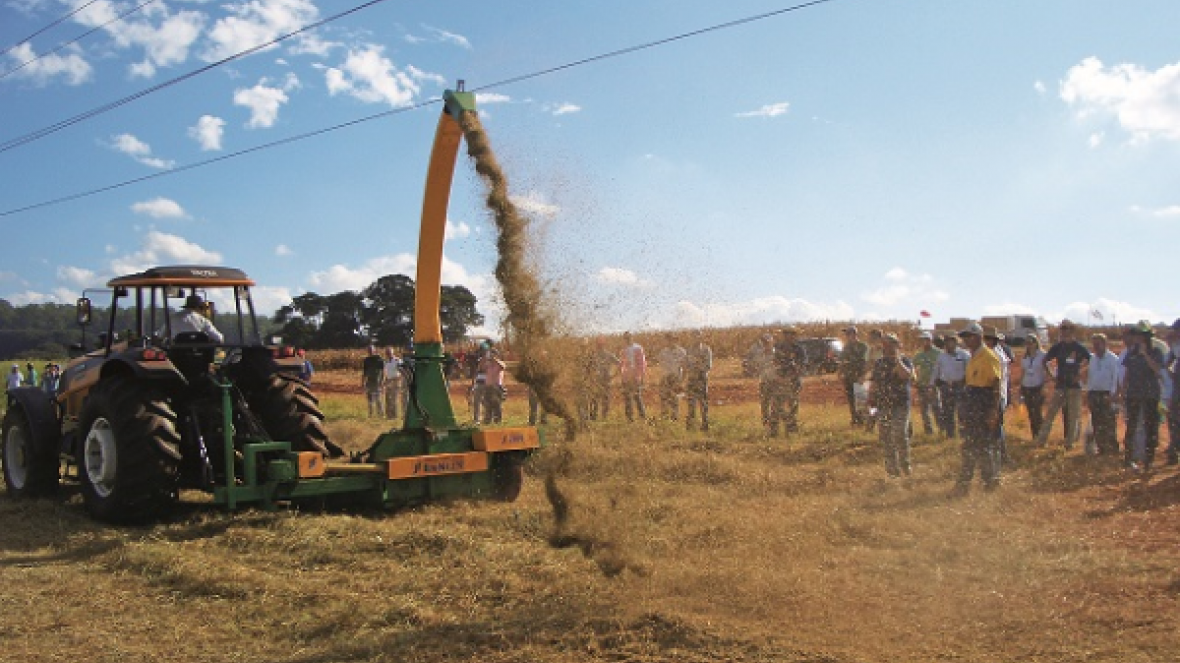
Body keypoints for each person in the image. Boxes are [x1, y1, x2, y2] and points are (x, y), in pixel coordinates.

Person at [954, 322, 1003, 493]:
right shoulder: (973, 356)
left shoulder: (989, 356)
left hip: (984, 402)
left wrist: (993, 411)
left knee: (981, 445)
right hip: (972, 402)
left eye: (969, 336)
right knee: (970, 444)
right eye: (964, 337)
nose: (966, 340)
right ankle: (970, 483)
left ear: (978, 336)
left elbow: (996, 385)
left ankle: (987, 482)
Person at [1035, 320, 1091, 450]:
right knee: (1050, 414)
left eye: (1067, 329)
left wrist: (1080, 374)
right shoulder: (1058, 347)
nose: (1065, 332)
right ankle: (1041, 440)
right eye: (1063, 329)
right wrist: (1051, 376)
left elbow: (1090, 360)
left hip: (1074, 386)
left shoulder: (1079, 347)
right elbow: (1045, 361)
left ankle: (1069, 443)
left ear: (1072, 331)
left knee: (1073, 416)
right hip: (1060, 385)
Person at [869, 333, 915, 477]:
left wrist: (897, 360)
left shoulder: (905, 361)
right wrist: (871, 401)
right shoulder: (879, 363)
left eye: (891, 344)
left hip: (900, 404)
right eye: (885, 344)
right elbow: (874, 382)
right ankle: (892, 471)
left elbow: (906, 376)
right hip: (884, 404)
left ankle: (905, 465)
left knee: (900, 433)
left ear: (897, 345)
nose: (887, 347)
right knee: (886, 437)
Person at [1121, 321, 1164, 471]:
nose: (1138, 338)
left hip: (1150, 395)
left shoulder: (1156, 352)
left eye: (1140, 335)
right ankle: (1129, 458)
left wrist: (1145, 354)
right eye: (1136, 335)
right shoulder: (1131, 352)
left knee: (1150, 427)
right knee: (1131, 426)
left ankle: (1148, 460)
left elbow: (1158, 370)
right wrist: (1123, 390)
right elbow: (1127, 373)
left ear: (1147, 336)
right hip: (1133, 394)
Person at [1085, 333, 1120, 456]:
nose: (1095, 346)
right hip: (1094, 393)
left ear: (1105, 344)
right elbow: (1091, 377)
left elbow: (1116, 378)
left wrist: (1113, 395)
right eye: (1094, 344)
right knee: (1096, 422)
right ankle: (1101, 448)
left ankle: (1113, 448)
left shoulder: (1113, 359)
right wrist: (1089, 393)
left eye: (1098, 343)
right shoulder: (1093, 358)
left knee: (1109, 422)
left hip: (1107, 394)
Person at [930, 334, 969, 439]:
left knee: (962, 412)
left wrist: (965, 382)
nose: (948, 344)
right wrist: (932, 385)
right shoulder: (941, 356)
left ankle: (963, 435)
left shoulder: (964, 355)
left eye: (951, 342)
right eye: (946, 342)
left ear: (956, 342)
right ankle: (950, 434)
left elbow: (969, 370)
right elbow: (936, 371)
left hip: (960, 386)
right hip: (945, 386)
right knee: (947, 411)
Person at [982, 329, 1012, 463]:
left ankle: (1001, 457)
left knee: (996, 427)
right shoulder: (997, 353)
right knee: (996, 427)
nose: (986, 341)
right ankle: (1001, 456)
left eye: (988, 339)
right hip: (998, 394)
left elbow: (996, 380)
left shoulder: (996, 355)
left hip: (996, 395)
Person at [772, 327, 807, 436]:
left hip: (794, 381)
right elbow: (773, 363)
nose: (789, 336)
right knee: (777, 406)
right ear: (784, 335)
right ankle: (774, 430)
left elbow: (802, 366)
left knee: (792, 405)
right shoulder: (778, 347)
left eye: (791, 334)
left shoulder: (799, 349)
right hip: (779, 380)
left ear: (794, 336)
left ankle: (791, 429)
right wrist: (779, 377)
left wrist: (792, 375)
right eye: (786, 334)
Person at [746, 333, 778, 434]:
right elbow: (754, 366)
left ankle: (773, 427)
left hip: (775, 382)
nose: (766, 344)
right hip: (764, 382)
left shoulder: (776, 354)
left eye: (767, 342)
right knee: (764, 405)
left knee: (775, 405)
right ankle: (765, 425)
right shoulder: (760, 355)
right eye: (764, 342)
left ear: (772, 343)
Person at [838, 326, 870, 426]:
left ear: (854, 334)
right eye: (846, 334)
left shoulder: (863, 346)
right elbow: (842, 361)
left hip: (860, 375)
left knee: (861, 399)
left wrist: (864, 375)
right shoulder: (846, 347)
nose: (847, 336)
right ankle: (855, 419)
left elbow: (866, 362)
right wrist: (840, 372)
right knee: (851, 399)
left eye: (848, 334)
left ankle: (863, 421)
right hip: (848, 376)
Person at [911, 331, 942, 435]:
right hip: (922, 385)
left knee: (936, 408)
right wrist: (915, 379)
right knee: (924, 410)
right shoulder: (919, 355)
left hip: (934, 385)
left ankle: (941, 429)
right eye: (922, 340)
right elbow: (912, 367)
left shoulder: (939, 353)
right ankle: (929, 431)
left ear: (930, 340)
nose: (924, 342)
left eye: (926, 340)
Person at [684, 330, 713, 432]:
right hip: (691, 379)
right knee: (691, 403)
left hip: (701, 379)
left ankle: (705, 425)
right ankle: (691, 427)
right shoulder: (688, 350)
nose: (695, 339)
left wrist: (698, 369)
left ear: (701, 338)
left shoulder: (706, 350)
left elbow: (708, 366)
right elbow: (686, 365)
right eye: (693, 337)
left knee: (703, 403)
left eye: (697, 336)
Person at [1019, 335, 1048, 438]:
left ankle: (1041, 435)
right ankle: (1034, 435)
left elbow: (1046, 371)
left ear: (1036, 343)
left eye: (1031, 342)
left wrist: (1045, 386)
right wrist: (1020, 386)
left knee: (1037, 412)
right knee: (1030, 412)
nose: (1029, 345)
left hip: (1038, 386)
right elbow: (1023, 372)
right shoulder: (1025, 357)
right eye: (1027, 343)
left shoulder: (1043, 355)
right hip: (1026, 386)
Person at [655, 333, 687, 421]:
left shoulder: (682, 352)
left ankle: (674, 419)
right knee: (664, 399)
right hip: (665, 378)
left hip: (676, 378)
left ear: (675, 340)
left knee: (675, 400)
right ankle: (664, 418)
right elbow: (661, 365)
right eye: (668, 340)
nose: (669, 342)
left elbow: (685, 368)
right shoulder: (663, 352)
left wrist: (681, 381)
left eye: (672, 340)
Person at [619, 332, 648, 423]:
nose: (627, 339)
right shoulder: (623, 350)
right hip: (626, 377)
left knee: (637, 397)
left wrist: (640, 375)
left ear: (632, 337)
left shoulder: (638, 348)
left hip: (635, 377)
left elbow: (642, 364)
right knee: (627, 398)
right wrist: (622, 376)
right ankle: (629, 419)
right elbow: (622, 364)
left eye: (628, 337)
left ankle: (643, 417)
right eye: (625, 338)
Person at [591, 338, 620, 420]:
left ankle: (603, 416)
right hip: (598, 379)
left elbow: (620, 364)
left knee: (604, 398)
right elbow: (589, 367)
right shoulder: (594, 355)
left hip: (605, 378)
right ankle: (595, 416)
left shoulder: (609, 355)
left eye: (600, 344)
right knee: (596, 398)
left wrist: (614, 375)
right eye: (598, 345)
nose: (599, 346)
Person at [1165, 319, 1180, 466]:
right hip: (1177, 388)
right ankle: (1174, 448)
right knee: (1174, 418)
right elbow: (1167, 362)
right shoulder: (1176, 346)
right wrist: (1172, 374)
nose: (1175, 332)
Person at [481, 347, 507, 424]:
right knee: (487, 404)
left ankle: (498, 420)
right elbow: (481, 368)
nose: (491, 355)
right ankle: (487, 420)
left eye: (493, 353)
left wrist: (494, 359)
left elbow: (503, 367)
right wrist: (484, 359)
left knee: (497, 404)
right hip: (488, 386)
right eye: (490, 353)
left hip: (497, 386)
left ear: (496, 355)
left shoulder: (500, 363)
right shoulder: (488, 364)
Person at [361, 345, 385, 418]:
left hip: (377, 381)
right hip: (369, 382)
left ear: (374, 350)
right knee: (370, 399)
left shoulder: (379, 359)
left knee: (378, 398)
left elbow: (383, 371)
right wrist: (363, 383)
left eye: (371, 350)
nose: (370, 351)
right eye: (369, 350)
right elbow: (364, 372)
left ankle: (381, 414)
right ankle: (370, 414)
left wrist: (382, 382)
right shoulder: (366, 360)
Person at [470, 341, 491, 423]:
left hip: (487, 382)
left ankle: (487, 418)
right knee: (477, 401)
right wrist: (473, 383)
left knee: (486, 401)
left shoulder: (490, 359)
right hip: (479, 382)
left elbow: (486, 369)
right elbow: (477, 371)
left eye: (483, 350)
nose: (481, 351)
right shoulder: (480, 359)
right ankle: (477, 419)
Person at [383, 347, 404, 420]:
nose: (388, 354)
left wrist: (398, 380)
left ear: (392, 353)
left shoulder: (397, 360)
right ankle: (389, 416)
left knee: (394, 399)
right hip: (388, 380)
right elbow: (386, 373)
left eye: (389, 353)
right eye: (387, 353)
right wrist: (385, 381)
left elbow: (402, 372)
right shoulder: (385, 362)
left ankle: (394, 416)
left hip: (396, 381)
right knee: (388, 398)